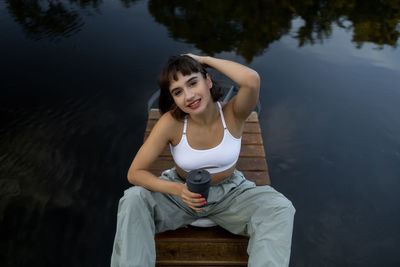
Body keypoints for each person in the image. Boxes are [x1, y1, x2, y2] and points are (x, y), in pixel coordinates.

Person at [111, 54, 295, 267]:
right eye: (178, 92)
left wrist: (204, 59)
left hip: (231, 195)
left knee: (279, 207)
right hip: (181, 195)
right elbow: (135, 173)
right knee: (133, 200)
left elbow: (251, 79)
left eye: (193, 82)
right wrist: (177, 190)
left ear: (207, 81)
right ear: (173, 98)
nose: (189, 96)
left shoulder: (233, 113)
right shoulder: (170, 122)